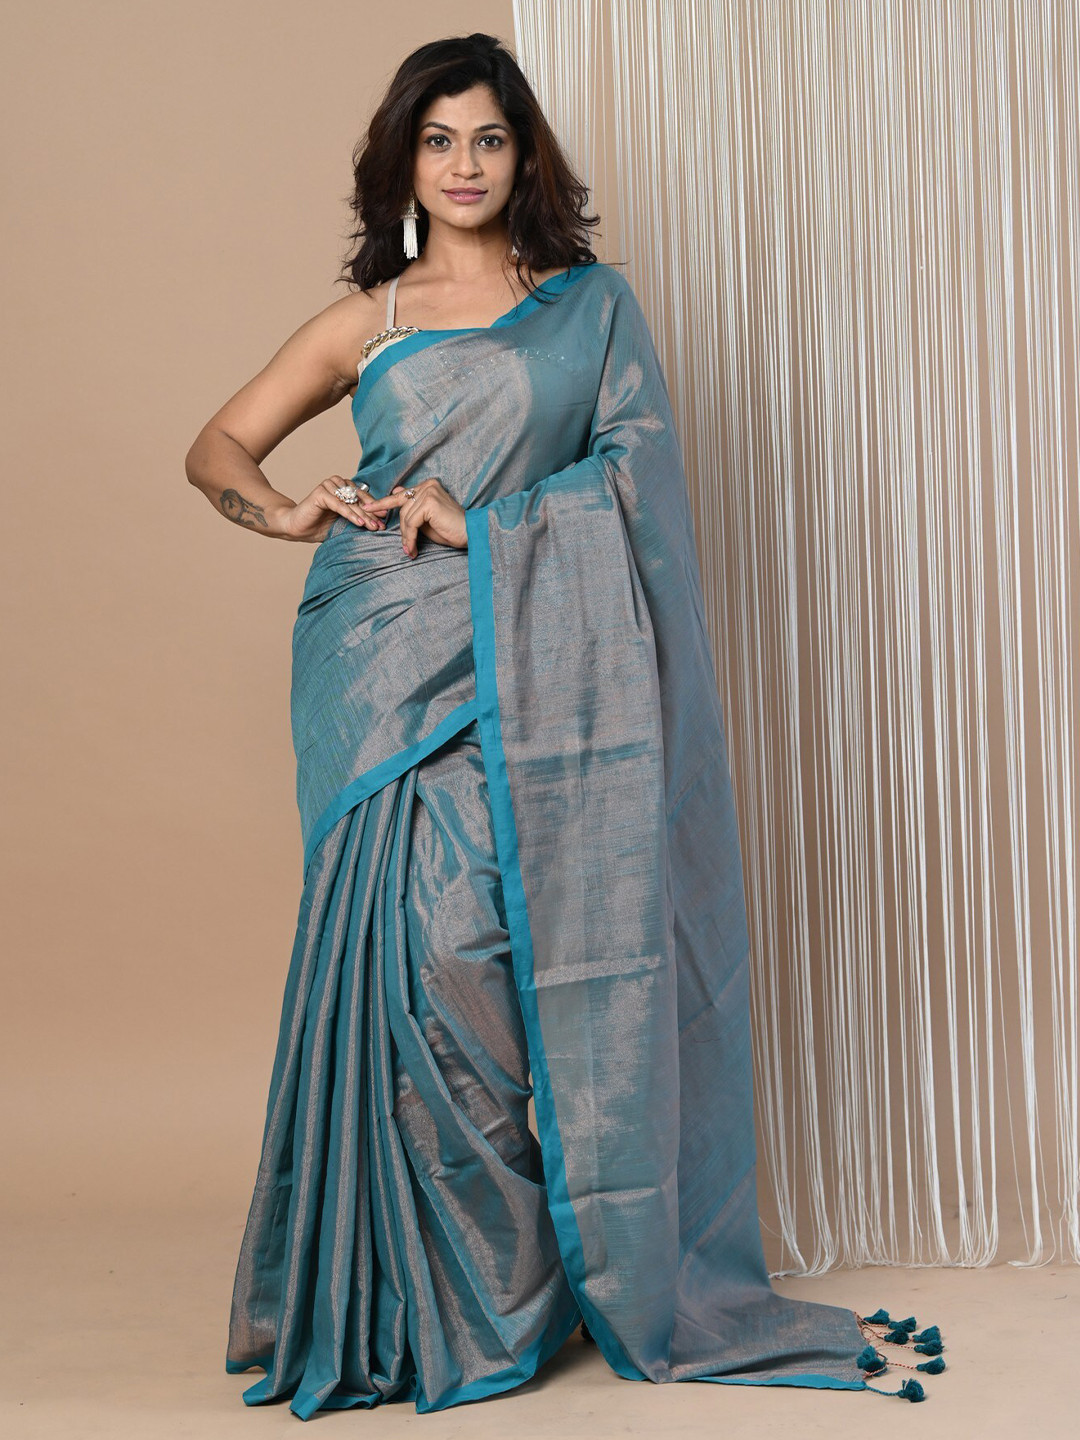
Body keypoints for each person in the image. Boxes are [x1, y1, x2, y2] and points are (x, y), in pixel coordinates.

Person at [186, 31, 944, 1421]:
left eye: (488, 138)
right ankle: (419, 1297)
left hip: (537, 663)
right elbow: (215, 446)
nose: (464, 165)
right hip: (376, 658)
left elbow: (637, 482)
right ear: (402, 162)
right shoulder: (370, 320)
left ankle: (519, 1285)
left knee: (481, 952)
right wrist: (285, 510)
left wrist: (483, 523)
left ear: (523, 155)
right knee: (408, 961)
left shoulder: (590, 309)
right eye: (438, 141)